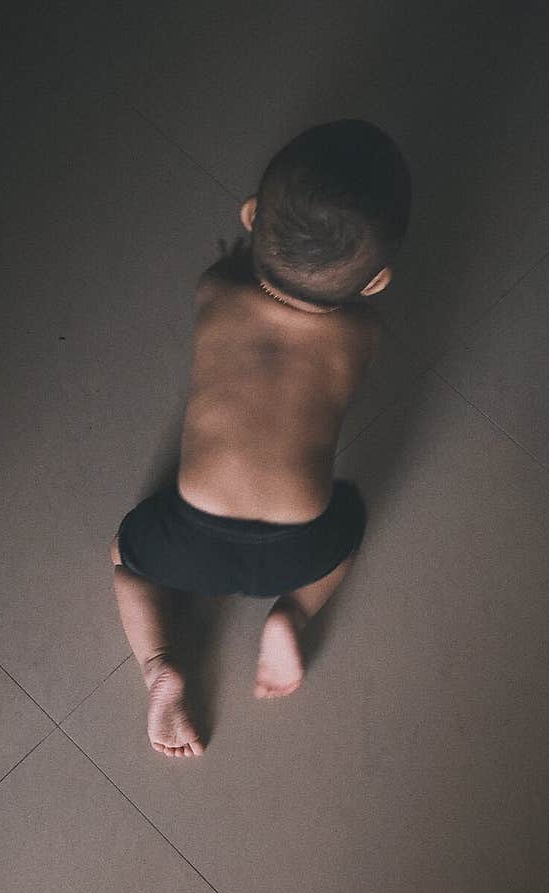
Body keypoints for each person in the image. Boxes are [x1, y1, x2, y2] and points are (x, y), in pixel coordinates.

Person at [110, 119, 411, 758]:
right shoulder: (364, 332)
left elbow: (229, 276)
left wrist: (232, 263)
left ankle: (160, 665)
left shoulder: (216, 290)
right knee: (348, 525)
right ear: (377, 281)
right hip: (300, 546)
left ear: (250, 217)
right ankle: (292, 614)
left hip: (191, 534)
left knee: (125, 565)